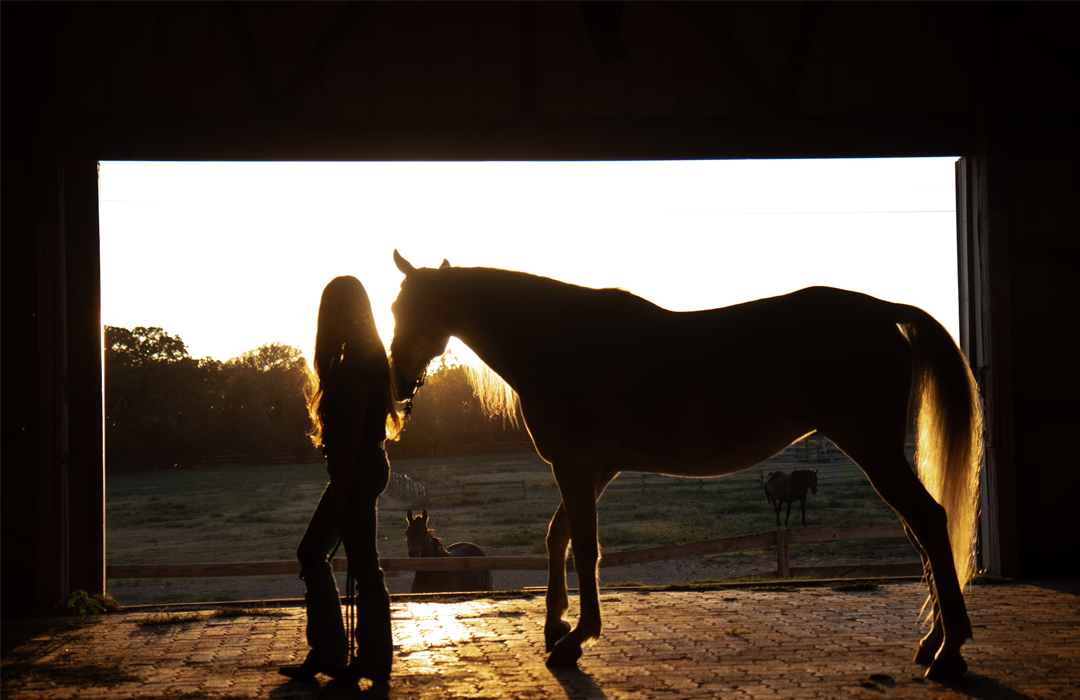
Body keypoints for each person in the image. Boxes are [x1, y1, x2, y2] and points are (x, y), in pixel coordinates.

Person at [279, 276, 401, 685]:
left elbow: (352, 429)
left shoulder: (358, 361)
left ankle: (354, 656)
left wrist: (343, 486)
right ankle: (352, 655)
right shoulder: (366, 355)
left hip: (357, 469)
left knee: (337, 559)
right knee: (338, 559)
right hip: (363, 467)